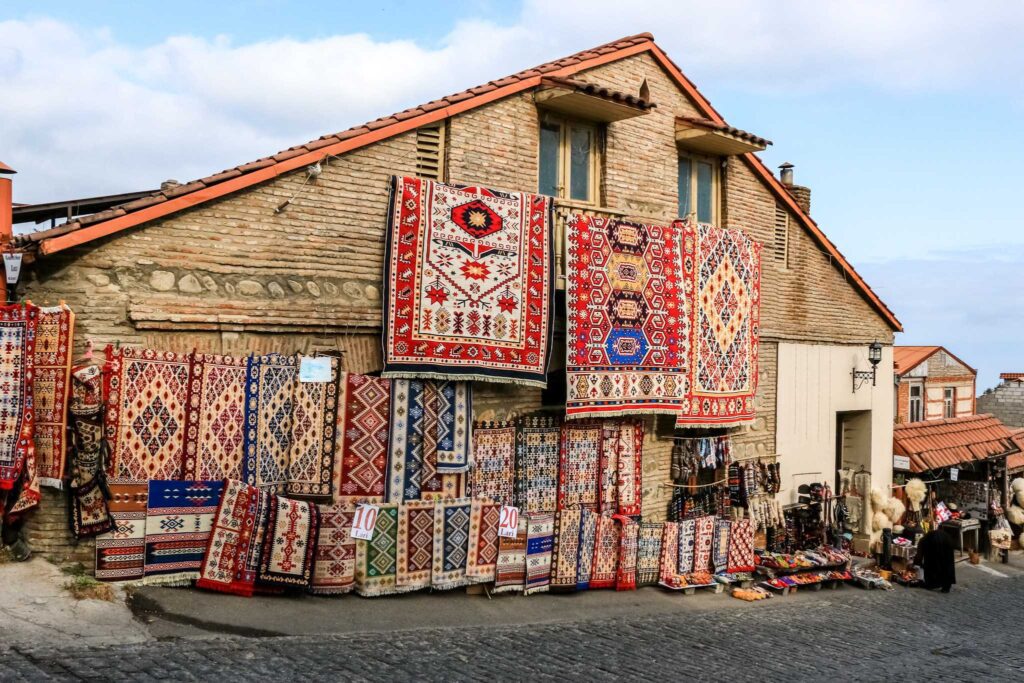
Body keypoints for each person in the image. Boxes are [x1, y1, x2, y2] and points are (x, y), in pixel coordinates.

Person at [913, 529, 956, 593]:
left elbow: (919, 555)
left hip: (937, 541)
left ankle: (932, 584)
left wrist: (916, 564)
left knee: (932, 563)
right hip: (947, 539)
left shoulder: (922, 541)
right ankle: (946, 587)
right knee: (947, 562)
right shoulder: (925, 539)